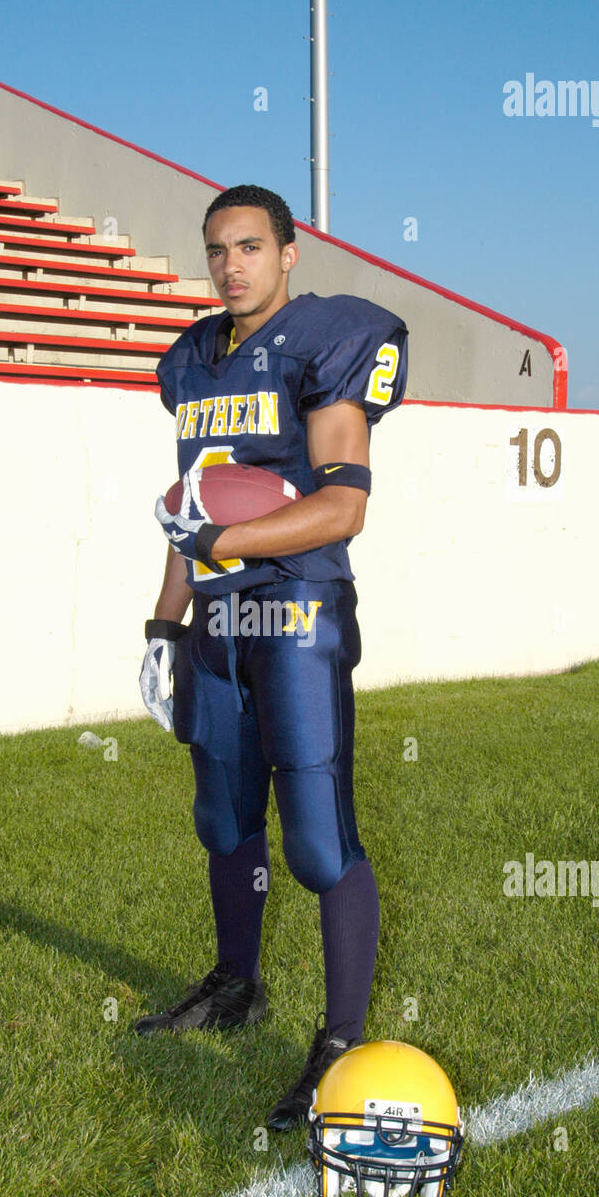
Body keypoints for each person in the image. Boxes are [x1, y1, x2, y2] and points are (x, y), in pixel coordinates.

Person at [137, 184, 408, 1129]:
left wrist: (225, 549)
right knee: (222, 814)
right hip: (214, 615)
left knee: (318, 833)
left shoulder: (328, 342)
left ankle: (339, 1042)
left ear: (288, 253)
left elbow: (343, 507)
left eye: (250, 246)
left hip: (295, 608)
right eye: (217, 249)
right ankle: (235, 983)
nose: (231, 265)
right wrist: (164, 623)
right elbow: (191, 511)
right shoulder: (192, 362)